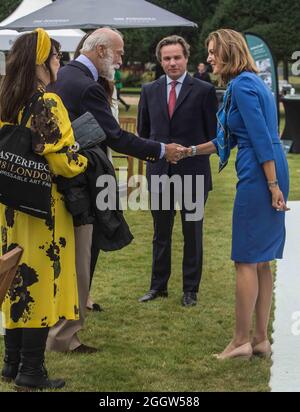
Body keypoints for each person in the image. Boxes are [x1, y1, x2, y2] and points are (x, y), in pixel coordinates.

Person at [46, 27, 184, 353]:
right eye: (119, 53)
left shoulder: (65, 74)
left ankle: (62, 324)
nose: (121, 60)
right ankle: (66, 334)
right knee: (83, 254)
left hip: (64, 180)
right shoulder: (87, 86)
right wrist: (163, 150)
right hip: (82, 182)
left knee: (69, 258)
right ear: (103, 50)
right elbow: (116, 137)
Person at [183, 29, 289, 359]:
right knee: (262, 261)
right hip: (269, 165)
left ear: (229, 52)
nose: (209, 58)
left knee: (245, 258)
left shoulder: (242, 85)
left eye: (213, 52)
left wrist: (272, 187)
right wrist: (188, 152)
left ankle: (240, 341)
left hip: (261, 172)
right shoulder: (251, 83)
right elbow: (229, 138)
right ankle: (259, 339)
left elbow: (257, 136)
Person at [0, 29, 87, 389]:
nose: (59, 63)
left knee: (11, 276)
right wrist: (81, 157)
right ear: (40, 61)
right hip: (41, 206)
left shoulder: (4, 97)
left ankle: (11, 363)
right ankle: (32, 372)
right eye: (55, 56)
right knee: (35, 280)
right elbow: (64, 162)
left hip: (7, 205)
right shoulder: (47, 103)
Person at [138, 35, 218, 307]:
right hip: (159, 172)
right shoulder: (149, 91)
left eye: (177, 57)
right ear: (160, 61)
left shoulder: (204, 91)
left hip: (193, 172)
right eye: (167, 58)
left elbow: (213, 136)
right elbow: (143, 133)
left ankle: (190, 290)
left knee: (192, 232)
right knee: (161, 232)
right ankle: (157, 286)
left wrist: (189, 151)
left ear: (186, 58)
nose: (172, 63)